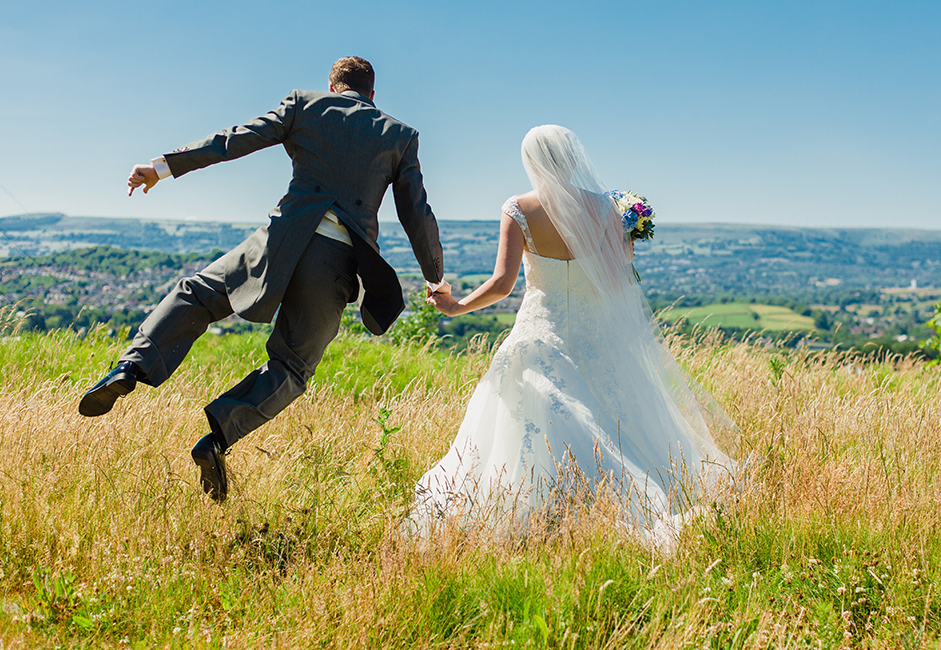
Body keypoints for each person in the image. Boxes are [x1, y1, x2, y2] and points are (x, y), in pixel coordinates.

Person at [78, 57, 450, 501]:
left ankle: (129, 367)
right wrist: (435, 277)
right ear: (372, 96)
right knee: (292, 367)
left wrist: (162, 168)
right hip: (334, 261)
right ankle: (216, 439)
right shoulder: (400, 136)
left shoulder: (304, 106)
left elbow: (234, 140)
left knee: (196, 294)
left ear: (333, 88)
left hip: (277, 242)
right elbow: (417, 213)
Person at [411, 125, 735, 546]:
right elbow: (619, 283)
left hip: (540, 330)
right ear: (574, 159)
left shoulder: (519, 208)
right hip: (595, 333)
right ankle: (621, 498)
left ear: (531, 161)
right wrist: (627, 248)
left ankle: (538, 506)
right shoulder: (605, 209)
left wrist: (456, 306)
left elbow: (502, 284)